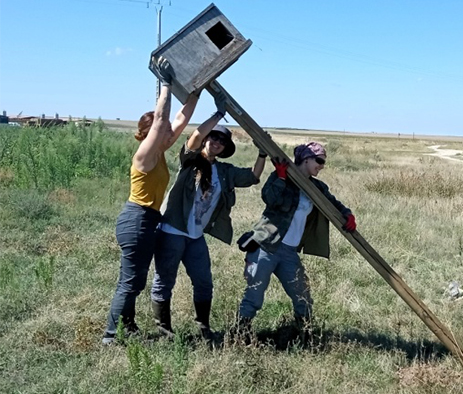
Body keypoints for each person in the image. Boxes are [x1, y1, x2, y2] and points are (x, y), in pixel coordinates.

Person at [149, 98, 267, 341]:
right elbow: (193, 138)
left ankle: (203, 327)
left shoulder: (223, 172)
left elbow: (253, 177)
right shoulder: (191, 161)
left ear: (225, 148)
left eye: (222, 141)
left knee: (204, 282)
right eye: (213, 137)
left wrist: (263, 152)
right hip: (172, 230)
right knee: (164, 281)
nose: (217, 142)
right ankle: (163, 330)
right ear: (206, 139)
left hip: (195, 236)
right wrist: (218, 114)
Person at [103, 57, 199, 345]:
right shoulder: (144, 156)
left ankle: (127, 328)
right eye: (160, 130)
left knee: (135, 280)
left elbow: (180, 120)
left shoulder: (159, 151)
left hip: (148, 220)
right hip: (136, 219)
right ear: (147, 134)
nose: (168, 133)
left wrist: (198, 92)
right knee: (130, 282)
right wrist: (166, 84)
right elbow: (161, 120)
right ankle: (111, 336)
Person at [233, 142, 356, 339]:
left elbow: (334, 204)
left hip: (289, 252)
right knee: (254, 294)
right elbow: (269, 198)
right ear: (306, 159)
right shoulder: (282, 176)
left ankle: (304, 334)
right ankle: (239, 333)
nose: (322, 165)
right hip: (267, 245)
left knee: (302, 295)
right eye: (319, 160)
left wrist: (347, 215)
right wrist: (281, 178)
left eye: (323, 162)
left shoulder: (317, 188)